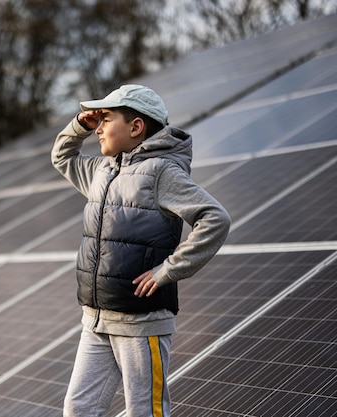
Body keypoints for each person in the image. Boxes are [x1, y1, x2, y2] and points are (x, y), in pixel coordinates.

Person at [51, 84, 230, 417]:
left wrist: (168, 270)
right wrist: (80, 125)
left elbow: (214, 218)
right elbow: (61, 156)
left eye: (106, 119)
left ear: (136, 127)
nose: (99, 127)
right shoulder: (101, 171)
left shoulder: (161, 172)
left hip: (142, 323)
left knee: (145, 411)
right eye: (97, 120)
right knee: (78, 408)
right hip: (96, 320)